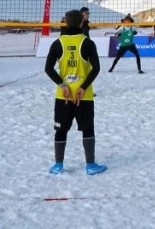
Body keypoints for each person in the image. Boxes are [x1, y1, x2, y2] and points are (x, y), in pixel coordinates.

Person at [43, 9, 107, 176]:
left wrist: (62, 85)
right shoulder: (87, 42)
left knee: (61, 129)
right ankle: (91, 165)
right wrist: (83, 87)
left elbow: (48, 69)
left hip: (63, 95)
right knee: (88, 129)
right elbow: (96, 68)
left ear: (65, 22)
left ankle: (58, 165)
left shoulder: (58, 43)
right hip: (83, 95)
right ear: (81, 23)